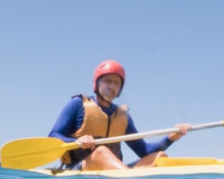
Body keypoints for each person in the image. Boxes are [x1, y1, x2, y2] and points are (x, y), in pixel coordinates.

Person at [46, 60, 179, 172]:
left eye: (117, 83)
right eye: (108, 81)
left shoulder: (123, 116)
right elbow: (53, 136)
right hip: (77, 170)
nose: (112, 86)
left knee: (159, 156)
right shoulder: (78, 104)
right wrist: (78, 142)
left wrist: (170, 138)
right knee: (101, 152)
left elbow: (143, 151)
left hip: (113, 175)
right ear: (97, 84)